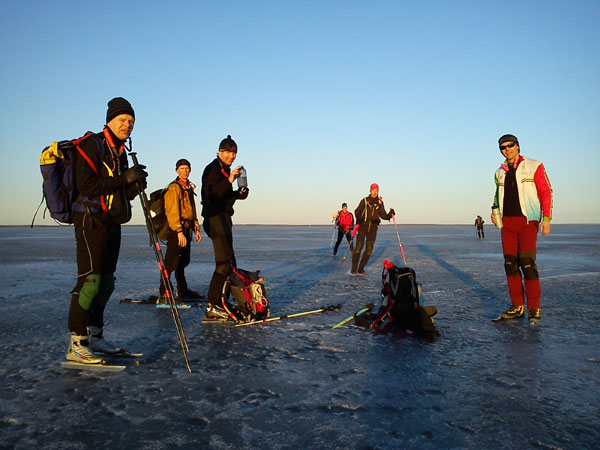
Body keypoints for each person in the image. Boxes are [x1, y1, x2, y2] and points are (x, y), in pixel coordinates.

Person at [66, 97, 148, 363]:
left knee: (106, 282)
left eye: (131, 122)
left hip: (112, 221)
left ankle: (95, 335)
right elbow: (86, 185)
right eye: (123, 120)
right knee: (90, 281)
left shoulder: (120, 151)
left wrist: (132, 186)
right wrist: (123, 179)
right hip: (91, 220)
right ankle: (77, 342)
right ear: (110, 120)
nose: (127, 125)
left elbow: (117, 189)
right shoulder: (91, 145)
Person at [491, 134, 553, 324]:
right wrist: (495, 213)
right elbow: (496, 196)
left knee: (527, 264)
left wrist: (546, 218)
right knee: (510, 264)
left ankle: (534, 308)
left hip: (527, 222)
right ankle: (517, 306)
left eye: (510, 145)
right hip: (507, 224)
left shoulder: (534, 166)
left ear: (517, 146)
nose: (507, 149)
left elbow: (545, 191)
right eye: (503, 147)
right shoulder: (499, 172)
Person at [201, 135, 249, 319]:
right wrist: (230, 179)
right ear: (220, 152)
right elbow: (210, 195)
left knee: (229, 263)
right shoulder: (212, 169)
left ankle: (222, 301)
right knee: (223, 264)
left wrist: (238, 194)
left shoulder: (225, 170)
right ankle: (212, 306)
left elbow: (224, 196)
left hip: (223, 219)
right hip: (214, 219)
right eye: (228, 152)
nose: (232, 156)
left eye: (234, 152)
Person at [158, 158, 203, 305]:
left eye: (187, 168)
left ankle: (182, 289)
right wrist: (178, 231)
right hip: (176, 229)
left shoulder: (188, 187)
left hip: (186, 228)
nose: (185, 171)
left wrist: (196, 228)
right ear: (177, 170)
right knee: (171, 261)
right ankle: (164, 291)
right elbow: (172, 211)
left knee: (182, 261)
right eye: (182, 168)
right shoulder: (174, 188)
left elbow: (192, 210)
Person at [351, 183, 394, 276]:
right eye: (373, 190)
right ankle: (354, 269)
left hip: (373, 227)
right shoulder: (365, 201)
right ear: (370, 191)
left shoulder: (380, 203)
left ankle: (361, 268)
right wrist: (359, 218)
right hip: (363, 226)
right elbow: (357, 211)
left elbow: (383, 215)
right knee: (358, 247)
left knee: (369, 249)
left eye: (376, 191)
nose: (375, 192)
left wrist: (390, 214)